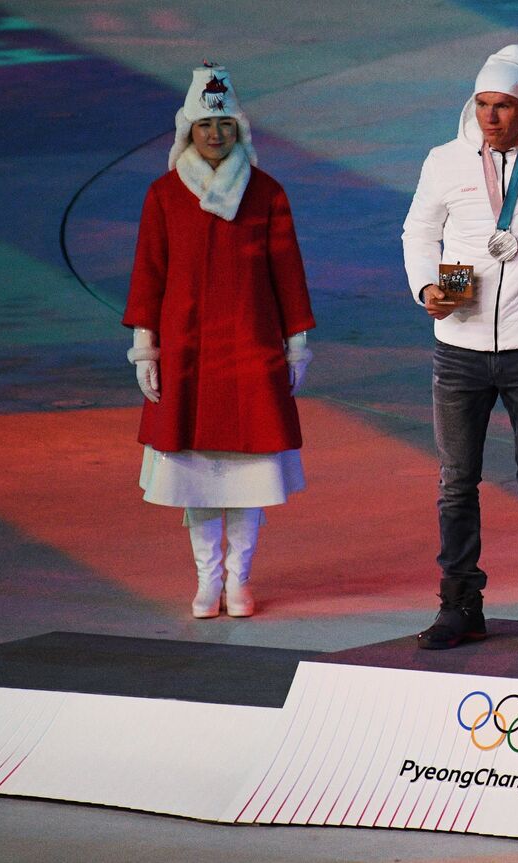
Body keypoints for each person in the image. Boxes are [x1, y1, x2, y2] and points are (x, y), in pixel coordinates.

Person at [402, 45, 518, 650]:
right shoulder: (445, 161)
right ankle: (459, 605)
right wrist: (427, 284)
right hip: (458, 348)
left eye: (504, 106)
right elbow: (419, 230)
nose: (491, 117)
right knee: (456, 482)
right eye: (483, 104)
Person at [123, 64, 315, 619]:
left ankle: (239, 580)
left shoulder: (267, 194)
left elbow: (287, 273)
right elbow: (148, 274)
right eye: (206, 126)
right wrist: (145, 346)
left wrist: (296, 343)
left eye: (225, 125)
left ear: (239, 131)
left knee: (248, 476)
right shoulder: (163, 195)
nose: (215, 135)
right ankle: (208, 580)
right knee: (197, 478)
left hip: (251, 352)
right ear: (188, 130)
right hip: (186, 355)